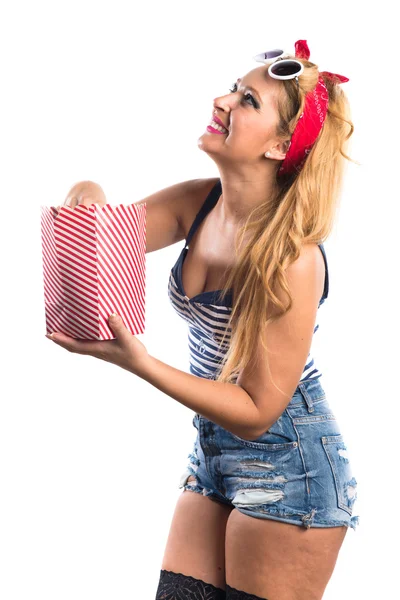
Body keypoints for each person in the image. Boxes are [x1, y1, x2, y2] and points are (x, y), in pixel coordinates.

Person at [47, 40, 360, 600]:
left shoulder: (292, 258)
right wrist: (86, 198)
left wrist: (139, 362)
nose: (221, 101)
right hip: (214, 455)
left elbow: (257, 413)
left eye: (246, 100)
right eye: (232, 89)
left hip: (292, 467)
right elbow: (94, 242)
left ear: (281, 145)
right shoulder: (199, 204)